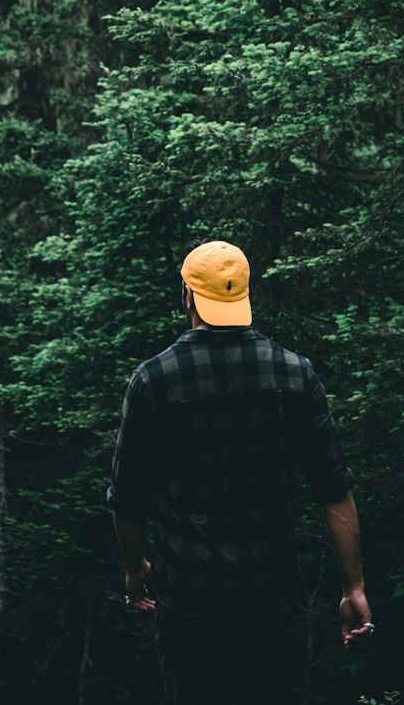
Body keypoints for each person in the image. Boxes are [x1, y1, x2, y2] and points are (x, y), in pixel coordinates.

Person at [108, 239, 373, 705]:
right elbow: (333, 491)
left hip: (188, 593)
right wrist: (353, 586)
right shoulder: (295, 373)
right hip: (267, 593)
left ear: (188, 296)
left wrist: (135, 569)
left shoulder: (154, 379)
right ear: (243, 294)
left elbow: (128, 497)